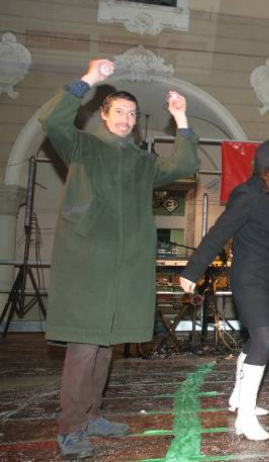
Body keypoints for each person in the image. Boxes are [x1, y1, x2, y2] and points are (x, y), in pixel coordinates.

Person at [40, 59, 199, 460]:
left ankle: (92, 415)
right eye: (119, 112)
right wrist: (90, 80)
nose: (127, 119)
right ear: (104, 115)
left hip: (124, 266)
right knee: (83, 347)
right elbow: (53, 120)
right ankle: (70, 428)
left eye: (132, 114)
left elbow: (184, 164)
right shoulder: (84, 147)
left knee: (105, 345)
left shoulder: (142, 163)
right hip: (88, 265)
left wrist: (180, 117)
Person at [179, 139, 269, 441]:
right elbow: (220, 232)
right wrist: (194, 269)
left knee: (254, 341)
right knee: (263, 339)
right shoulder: (248, 193)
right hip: (249, 278)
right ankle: (245, 417)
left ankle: (237, 398)